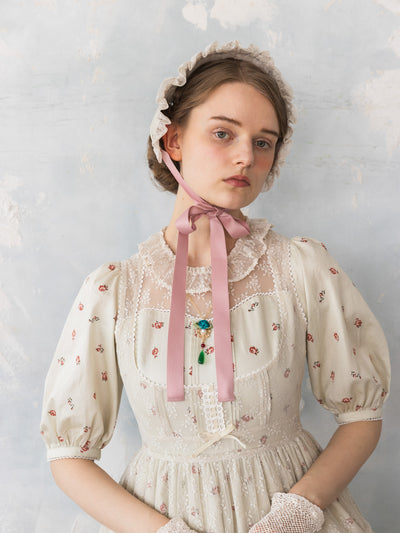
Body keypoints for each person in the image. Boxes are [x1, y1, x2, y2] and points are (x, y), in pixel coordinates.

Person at [40, 41, 390, 533]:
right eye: (223, 133)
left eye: (263, 142)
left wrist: (298, 512)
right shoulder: (114, 293)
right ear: (173, 140)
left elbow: (362, 416)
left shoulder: (301, 268)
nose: (246, 156)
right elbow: (67, 455)